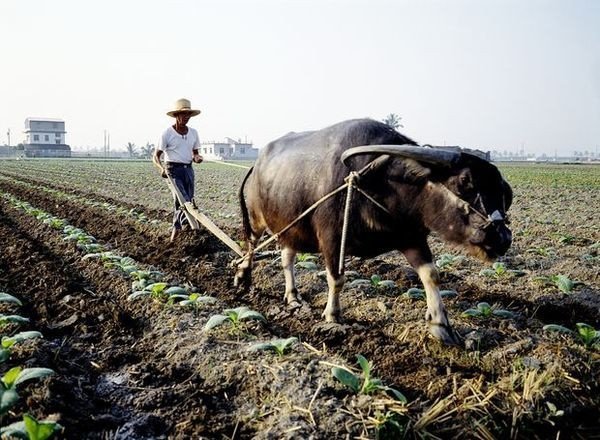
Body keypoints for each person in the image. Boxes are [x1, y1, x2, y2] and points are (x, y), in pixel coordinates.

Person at [153, 98, 204, 241]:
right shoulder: (167, 133)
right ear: (176, 116)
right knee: (184, 202)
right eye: (183, 115)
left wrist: (197, 158)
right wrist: (161, 168)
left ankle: (174, 235)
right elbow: (156, 156)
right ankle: (192, 228)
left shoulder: (193, 133)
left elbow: (195, 153)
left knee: (185, 202)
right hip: (172, 171)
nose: (186, 118)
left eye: (188, 115)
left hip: (188, 170)